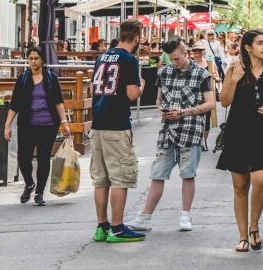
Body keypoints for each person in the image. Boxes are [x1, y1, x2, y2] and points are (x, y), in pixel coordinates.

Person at [129, 38, 216, 234]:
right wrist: (161, 109)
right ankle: (144, 217)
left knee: (188, 174)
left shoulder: (201, 74)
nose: (174, 62)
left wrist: (184, 112)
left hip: (191, 129)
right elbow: (159, 99)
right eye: (171, 59)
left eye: (177, 58)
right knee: (157, 174)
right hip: (168, 130)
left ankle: (185, 215)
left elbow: (210, 103)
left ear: (186, 53)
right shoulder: (164, 72)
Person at [216, 29, 263, 252]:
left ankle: (254, 227)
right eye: (260, 43)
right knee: (240, 186)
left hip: (262, 132)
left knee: (260, 180)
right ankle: (243, 235)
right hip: (238, 131)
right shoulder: (235, 68)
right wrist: (233, 80)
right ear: (247, 47)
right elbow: (224, 101)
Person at [90, 17, 145, 243]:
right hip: (117, 124)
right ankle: (118, 227)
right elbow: (132, 94)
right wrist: (142, 85)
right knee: (120, 177)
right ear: (137, 38)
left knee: (101, 179)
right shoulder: (129, 59)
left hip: (98, 123)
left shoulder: (102, 56)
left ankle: (102, 226)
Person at [5, 48, 71, 205]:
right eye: (31, 58)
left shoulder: (50, 79)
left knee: (43, 158)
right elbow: (14, 105)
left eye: (36, 58)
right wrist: (7, 125)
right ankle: (29, 184)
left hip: (48, 125)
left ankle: (39, 193)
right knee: (23, 157)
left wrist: (64, 122)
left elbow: (58, 102)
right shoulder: (22, 80)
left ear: (42, 60)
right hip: (27, 125)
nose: (33, 61)